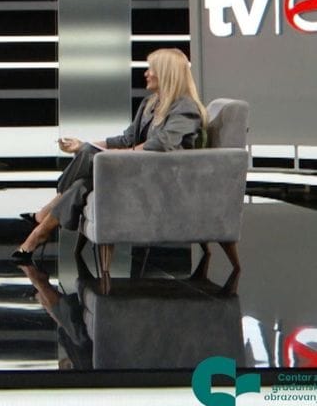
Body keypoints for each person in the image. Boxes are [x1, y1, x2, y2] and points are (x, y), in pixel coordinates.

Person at [12, 48, 208, 263]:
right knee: (83, 179)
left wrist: (120, 154)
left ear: (166, 73)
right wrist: (83, 144)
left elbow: (162, 144)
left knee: (89, 158)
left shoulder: (186, 108)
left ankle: (43, 217)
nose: (146, 73)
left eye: (151, 69)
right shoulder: (150, 103)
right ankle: (39, 233)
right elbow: (126, 139)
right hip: (138, 169)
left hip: (161, 177)